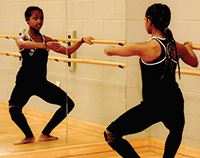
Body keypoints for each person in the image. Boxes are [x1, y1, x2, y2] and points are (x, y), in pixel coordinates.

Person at [104, 3, 198, 158]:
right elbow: (194, 62)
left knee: (111, 134)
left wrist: (108, 49)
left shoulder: (145, 47)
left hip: (152, 106)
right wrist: (188, 45)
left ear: (150, 21)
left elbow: (111, 52)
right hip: (174, 101)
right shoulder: (177, 47)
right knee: (175, 131)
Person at [9, 6, 94, 145]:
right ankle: (29, 136)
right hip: (24, 82)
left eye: (41, 18)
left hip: (40, 83)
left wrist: (82, 40)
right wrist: (45, 46)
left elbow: (67, 51)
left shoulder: (46, 39)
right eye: (35, 18)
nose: (39, 21)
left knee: (68, 104)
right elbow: (22, 44)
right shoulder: (24, 37)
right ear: (27, 20)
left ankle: (45, 133)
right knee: (14, 109)